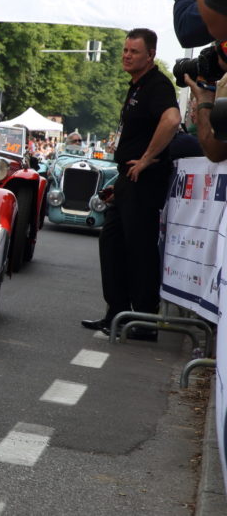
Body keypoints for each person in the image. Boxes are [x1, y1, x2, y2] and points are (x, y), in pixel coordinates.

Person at [82, 29, 181, 340]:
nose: (126, 55)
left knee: (139, 249)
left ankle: (143, 320)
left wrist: (148, 158)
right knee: (111, 242)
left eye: (134, 52)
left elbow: (172, 120)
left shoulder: (157, 85)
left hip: (144, 180)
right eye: (125, 50)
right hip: (128, 179)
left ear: (150, 55)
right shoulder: (137, 86)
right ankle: (117, 312)